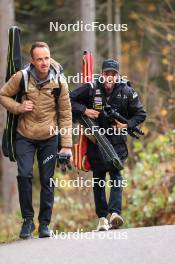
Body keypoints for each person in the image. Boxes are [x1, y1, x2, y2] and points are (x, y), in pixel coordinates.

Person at [0, 42, 72, 239]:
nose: (44, 63)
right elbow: (3, 95)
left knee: (47, 180)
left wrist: (66, 145)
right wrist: (19, 107)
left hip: (50, 137)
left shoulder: (59, 81)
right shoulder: (21, 77)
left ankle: (45, 224)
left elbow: (66, 114)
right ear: (32, 61)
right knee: (24, 175)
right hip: (25, 136)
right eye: (39, 59)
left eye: (47, 58)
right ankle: (27, 220)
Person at [70, 59, 146, 231]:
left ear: (117, 75)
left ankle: (114, 214)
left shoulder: (127, 91)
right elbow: (69, 99)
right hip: (96, 141)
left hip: (117, 142)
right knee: (98, 179)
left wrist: (126, 125)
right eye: (107, 74)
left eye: (113, 74)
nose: (110, 77)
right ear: (102, 74)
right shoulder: (91, 88)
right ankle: (102, 218)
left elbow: (141, 114)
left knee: (116, 175)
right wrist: (84, 110)